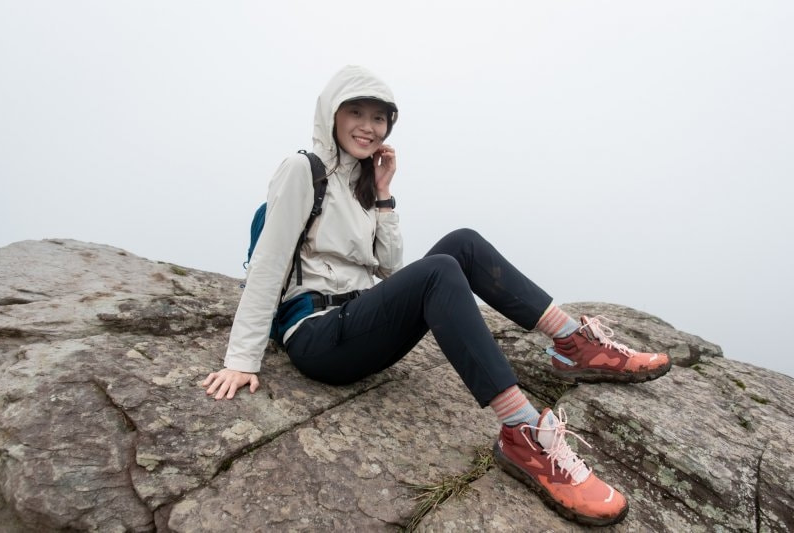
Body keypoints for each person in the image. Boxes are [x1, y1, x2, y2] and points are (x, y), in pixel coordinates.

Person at [202, 65, 671, 526]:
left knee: (461, 242)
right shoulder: (302, 170)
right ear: (332, 114)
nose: (368, 127)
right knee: (441, 269)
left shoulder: (361, 185)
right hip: (319, 338)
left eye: (379, 117)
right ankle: (523, 432)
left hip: (358, 320)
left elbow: (389, 266)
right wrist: (241, 360)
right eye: (356, 112)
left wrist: (383, 195)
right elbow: (268, 265)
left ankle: (573, 343)